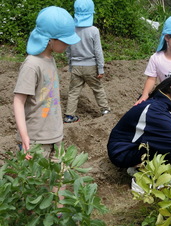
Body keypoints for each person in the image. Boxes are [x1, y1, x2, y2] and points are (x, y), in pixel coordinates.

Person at [13, 6, 80, 160]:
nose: (68, 45)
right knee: (35, 180)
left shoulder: (50, 59)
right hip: (36, 139)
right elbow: (18, 101)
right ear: (51, 40)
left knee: (59, 180)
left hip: (55, 134)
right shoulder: (32, 65)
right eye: (65, 41)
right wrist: (24, 137)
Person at [107, 75, 171, 171]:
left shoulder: (163, 103)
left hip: (135, 145)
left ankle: (157, 168)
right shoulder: (155, 114)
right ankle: (140, 172)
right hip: (123, 152)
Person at [64, 0, 110, 123]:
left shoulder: (71, 30)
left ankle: (69, 116)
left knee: (73, 92)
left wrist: (70, 65)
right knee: (97, 89)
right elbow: (98, 52)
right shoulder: (94, 30)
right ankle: (105, 110)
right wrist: (100, 68)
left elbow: (68, 50)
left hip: (76, 67)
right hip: (91, 67)